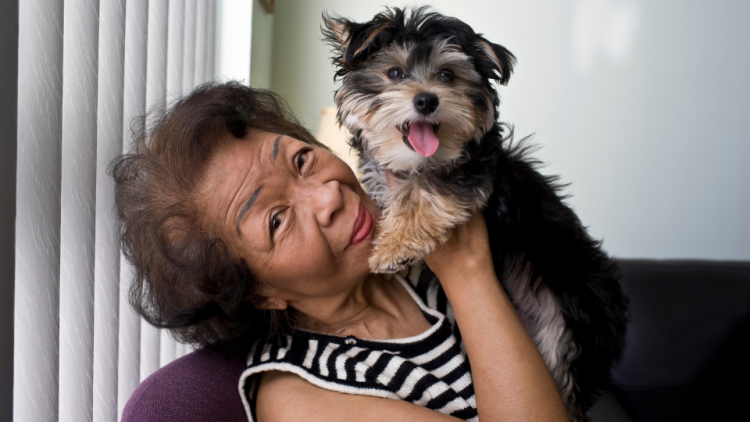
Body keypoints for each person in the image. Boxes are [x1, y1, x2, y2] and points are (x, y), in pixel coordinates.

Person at [113, 82, 568, 422]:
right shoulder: (297, 400)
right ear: (258, 293)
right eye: (277, 220)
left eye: (301, 161)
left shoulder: (401, 251)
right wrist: (466, 269)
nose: (327, 197)